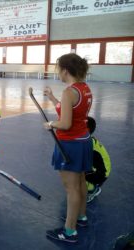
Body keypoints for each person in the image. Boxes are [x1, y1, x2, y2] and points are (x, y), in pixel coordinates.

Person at [43, 53, 93, 243]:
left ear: (65, 70)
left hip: (70, 144)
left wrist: (50, 125)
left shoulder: (69, 92)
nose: (58, 73)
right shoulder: (83, 88)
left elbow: (64, 123)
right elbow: (68, 109)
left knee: (71, 188)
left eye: (58, 69)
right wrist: (52, 98)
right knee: (80, 182)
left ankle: (69, 232)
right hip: (83, 140)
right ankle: (81, 217)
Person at [85, 116, 111, 203]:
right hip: (101, 169)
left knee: (76, 174)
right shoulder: (87, 140)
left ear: (87, 130)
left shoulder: (88, 144)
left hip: (101, 173)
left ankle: (93, 189)